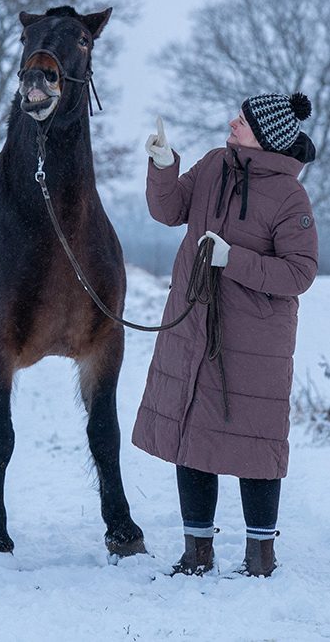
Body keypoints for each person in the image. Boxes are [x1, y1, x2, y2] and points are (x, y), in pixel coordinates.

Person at [132, 92, 318, 577]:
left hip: (255, 341)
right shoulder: (215, 163)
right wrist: (163, 165)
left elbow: (300, 273)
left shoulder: (290, 196)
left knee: (256, 443)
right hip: (193, 323)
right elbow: (170, 210)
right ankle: (196, 552)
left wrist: (232, 260)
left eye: (245, 119)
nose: (233, 121)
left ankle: (261, 556)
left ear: (267, 136)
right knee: (192, 433)